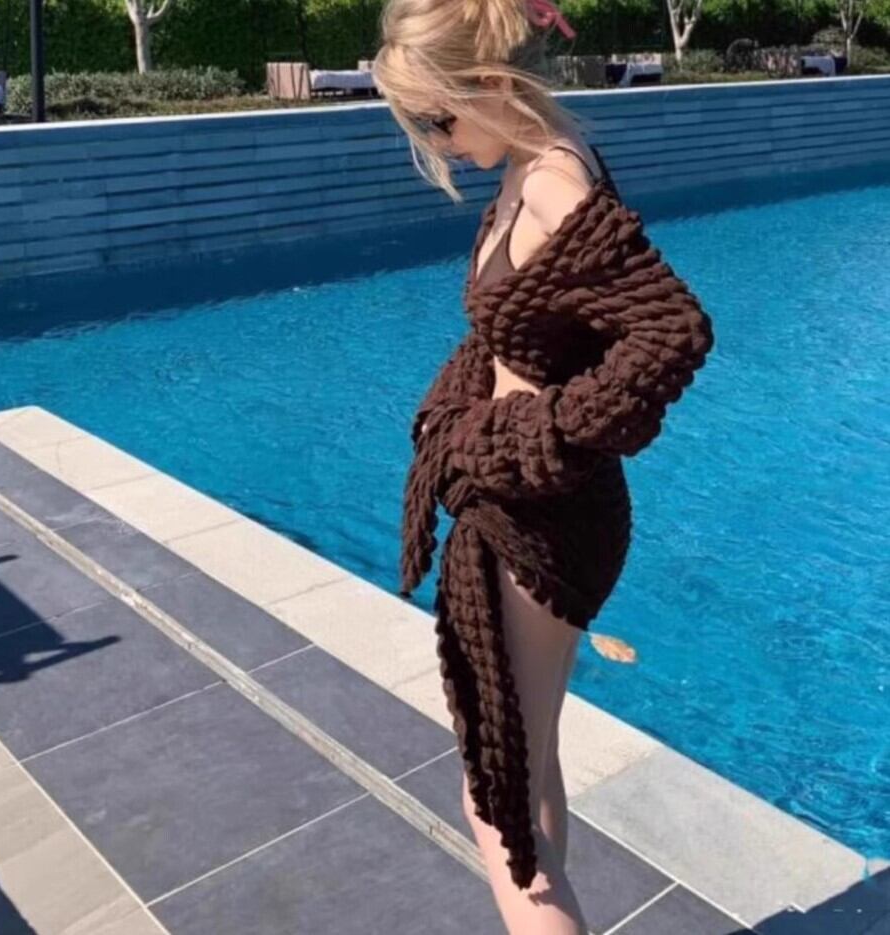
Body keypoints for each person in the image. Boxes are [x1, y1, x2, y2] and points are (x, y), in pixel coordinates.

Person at [372, 2, 707, 932]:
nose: (435, 140)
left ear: (486, 86)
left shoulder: (553, 181)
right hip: (554, 507)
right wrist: (460, 409)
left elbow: (669, 332)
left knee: (495, 802)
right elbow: (524, 327)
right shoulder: (538, 159)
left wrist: (527, 438)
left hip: (536, 515)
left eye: (435, 118)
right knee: (529, 761)